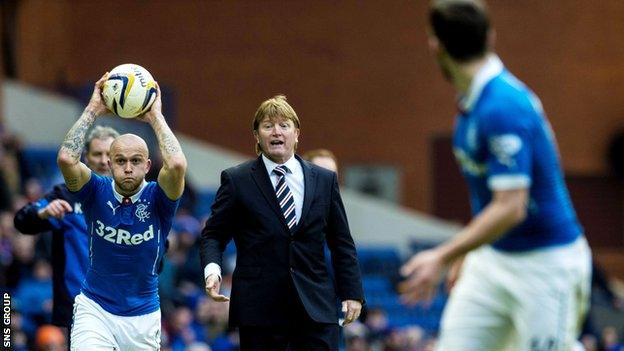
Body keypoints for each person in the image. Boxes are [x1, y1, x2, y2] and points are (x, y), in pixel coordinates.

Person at [399, 1, 592, 350]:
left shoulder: (502, 106)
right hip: (493, 261)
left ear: (435, 46)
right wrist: (467, 251)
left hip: (546, 264)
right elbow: (492, 197)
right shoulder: (474, 102)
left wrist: (443, 255)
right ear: (490, 37)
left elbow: (511, 206)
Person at [199, 95, 364, 351]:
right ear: (256, 135)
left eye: (284, 125)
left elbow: (341, 241)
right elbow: (213, 234)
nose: (276, 131)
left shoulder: (324, 179)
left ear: (296, 133)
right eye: (267, 126)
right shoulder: (237, 179)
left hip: (316, 308)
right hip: (260, 311)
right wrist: (212, 270)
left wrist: (352, 292)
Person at [57, 73, 187, 350]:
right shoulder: (95, 191)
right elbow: (67, 158)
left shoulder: (159, 197)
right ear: (110, 163)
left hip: (143, 317)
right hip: (95, 310)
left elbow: (176, 165)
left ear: (148, 165)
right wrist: (94, 108)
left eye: (135, 161)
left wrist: (155, 117)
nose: (128, 167)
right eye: (121, 161)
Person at [13, 125, 119, 336]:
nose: (103, 160)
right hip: (79, 311)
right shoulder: (66, 196)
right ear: (86, 158)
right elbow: (21, 221)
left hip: (125, 309)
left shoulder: (137, 199)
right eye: (97, 153)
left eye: (110, 154)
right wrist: (43, 214)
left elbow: (158, 250)